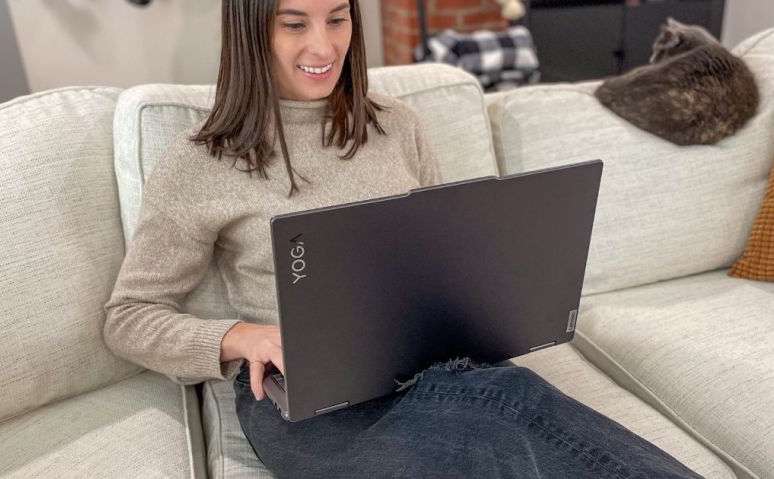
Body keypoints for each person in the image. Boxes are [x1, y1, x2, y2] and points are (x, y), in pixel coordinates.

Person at [103, 1, 704, 477]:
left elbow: (445, 253)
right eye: (294, 24)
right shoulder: (200, 162)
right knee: (504, 417)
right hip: (309, 408)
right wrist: (240, 335)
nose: (324, 45)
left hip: (430, 366)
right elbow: (128, 317)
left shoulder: (394, 126)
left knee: (503, 406)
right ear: (251, 31)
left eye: (338, 18)